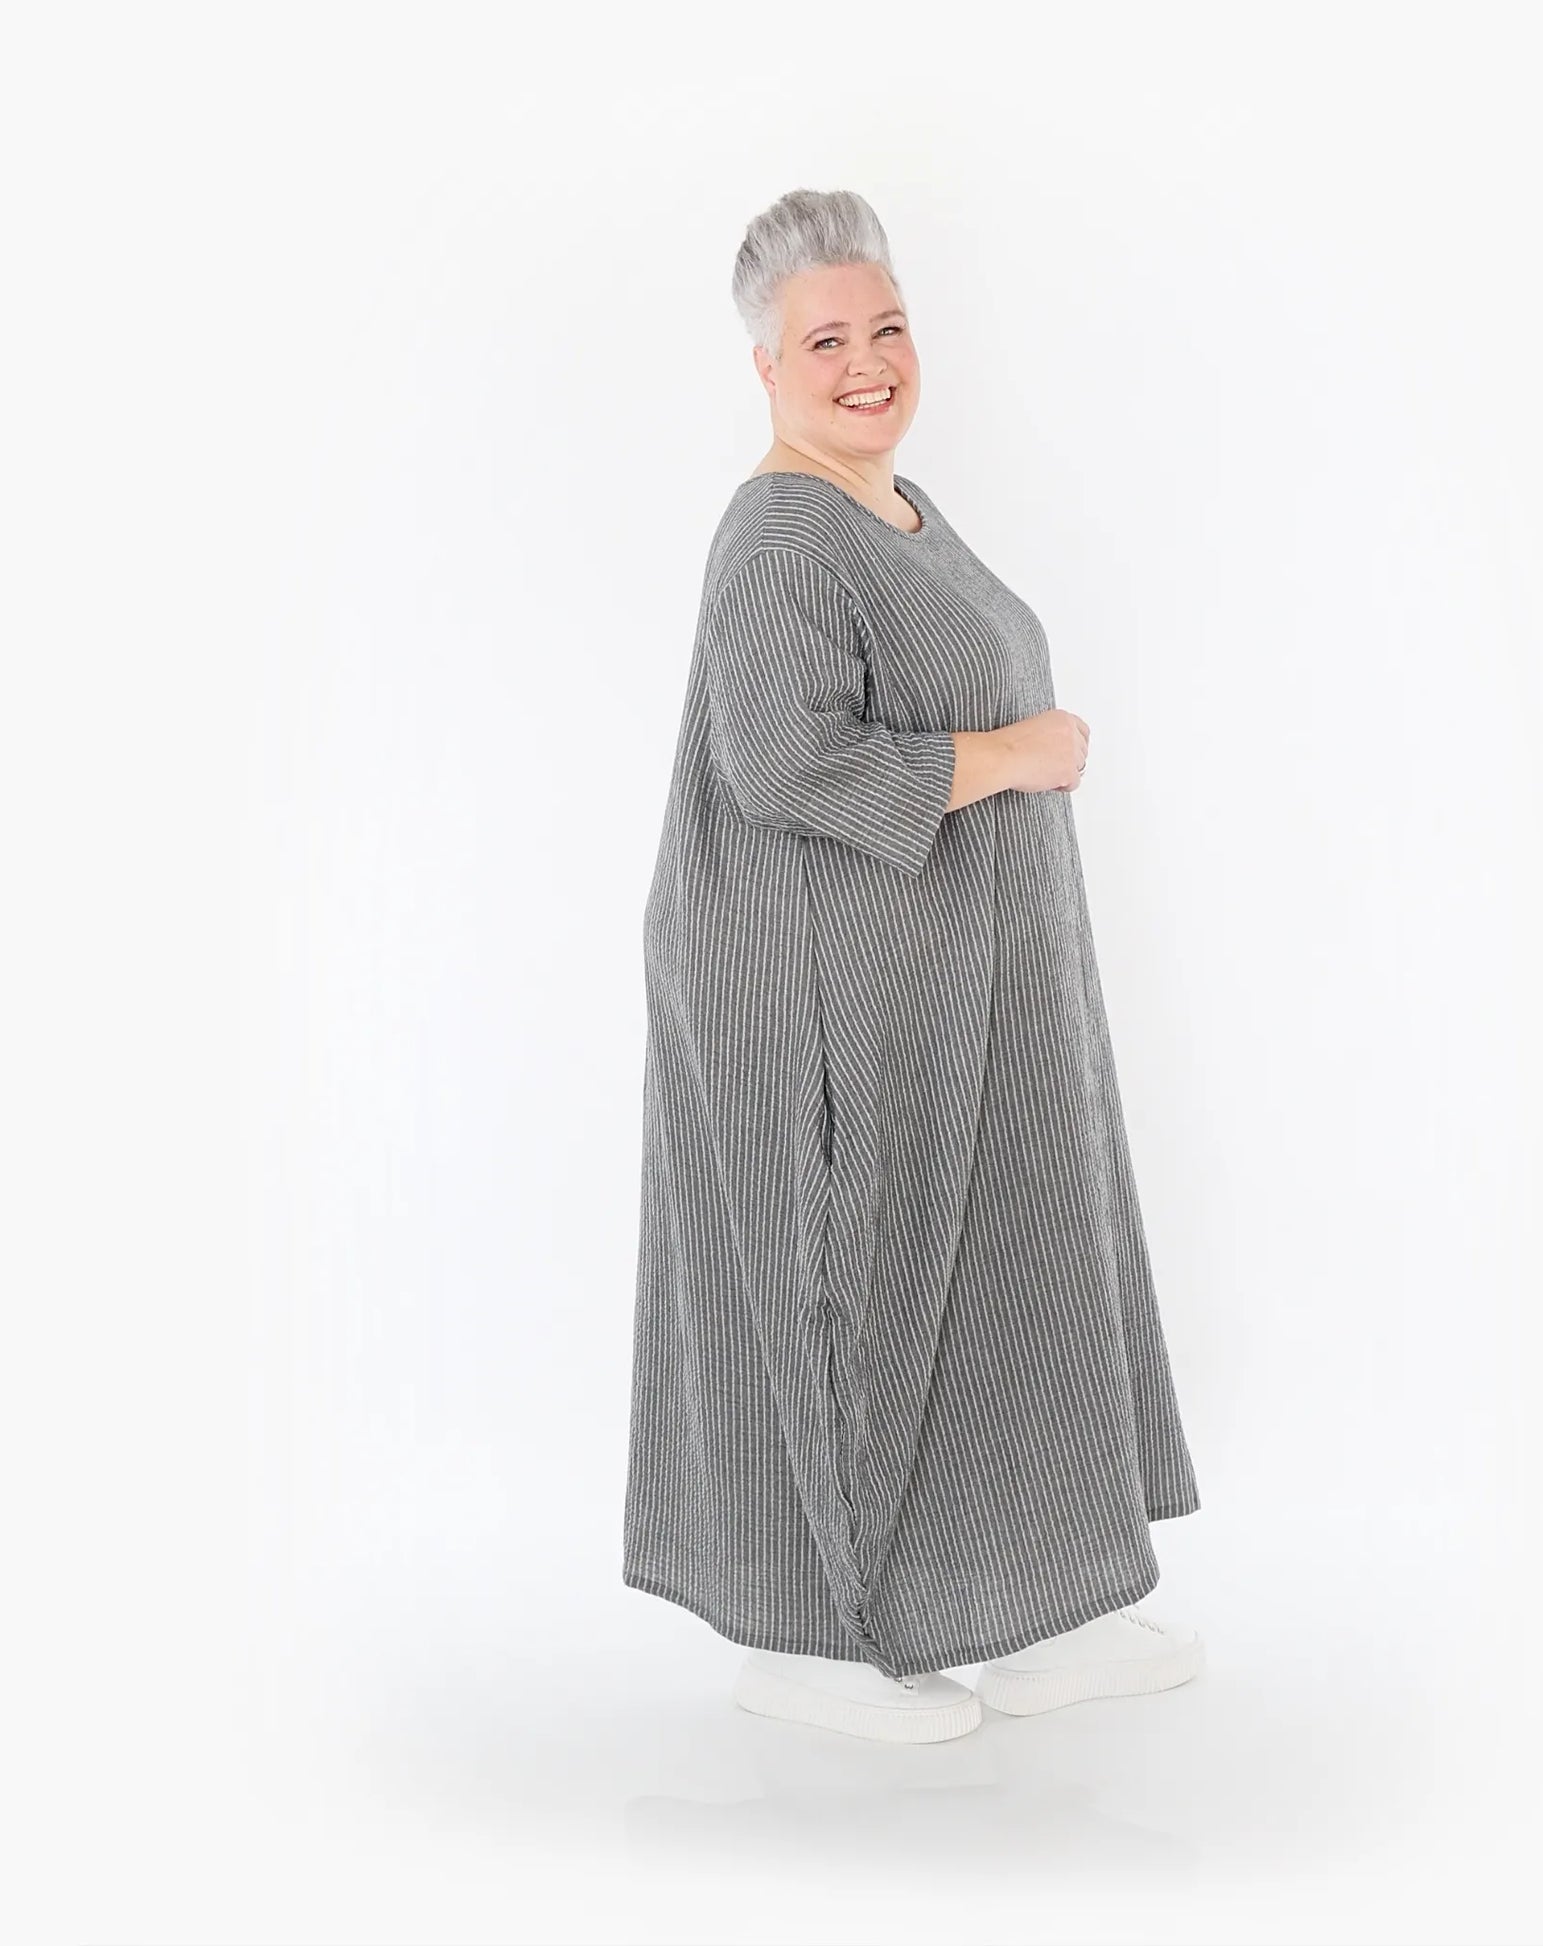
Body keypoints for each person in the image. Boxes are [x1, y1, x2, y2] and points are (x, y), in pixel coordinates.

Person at [624, 187, 1204, 1743]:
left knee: (1007, 1270)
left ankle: (1025, 1607)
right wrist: (1016, 751)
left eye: (886, 327)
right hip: (825, 1000)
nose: (867, 361)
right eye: (826, 340)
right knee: (844, 1292)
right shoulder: (779, 535)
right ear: (765, 365)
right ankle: (811, 1639)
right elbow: (780, 760)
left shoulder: (895, 505)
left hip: (949, 990)